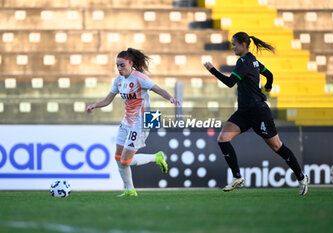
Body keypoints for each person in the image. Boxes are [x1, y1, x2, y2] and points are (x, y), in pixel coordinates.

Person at [203, 32, 309, 195]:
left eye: (234, 44)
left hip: (259, 112)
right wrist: (269, 86)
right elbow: (269, 74)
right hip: (244, 112)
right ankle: (237, 177)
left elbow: (230, 82)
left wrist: (212, 70)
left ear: (244, 44)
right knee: (223, 139)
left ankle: (301, 177)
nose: (233, 47)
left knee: (277, 146)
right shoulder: (253, 60)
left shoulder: (244, 62)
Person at [87, 48, 180, 197]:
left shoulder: (139, 77)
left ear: (130, 64)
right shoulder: (118, 80)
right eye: (117, 65)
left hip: (144, 119)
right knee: (118, 157)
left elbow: (158, 89)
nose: (119, 68)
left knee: (125, 160)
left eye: (122, 65)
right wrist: (94, 105)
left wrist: (171, 98)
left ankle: (157, 157)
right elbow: (107, 99)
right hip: (127, 120)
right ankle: (130, 190)